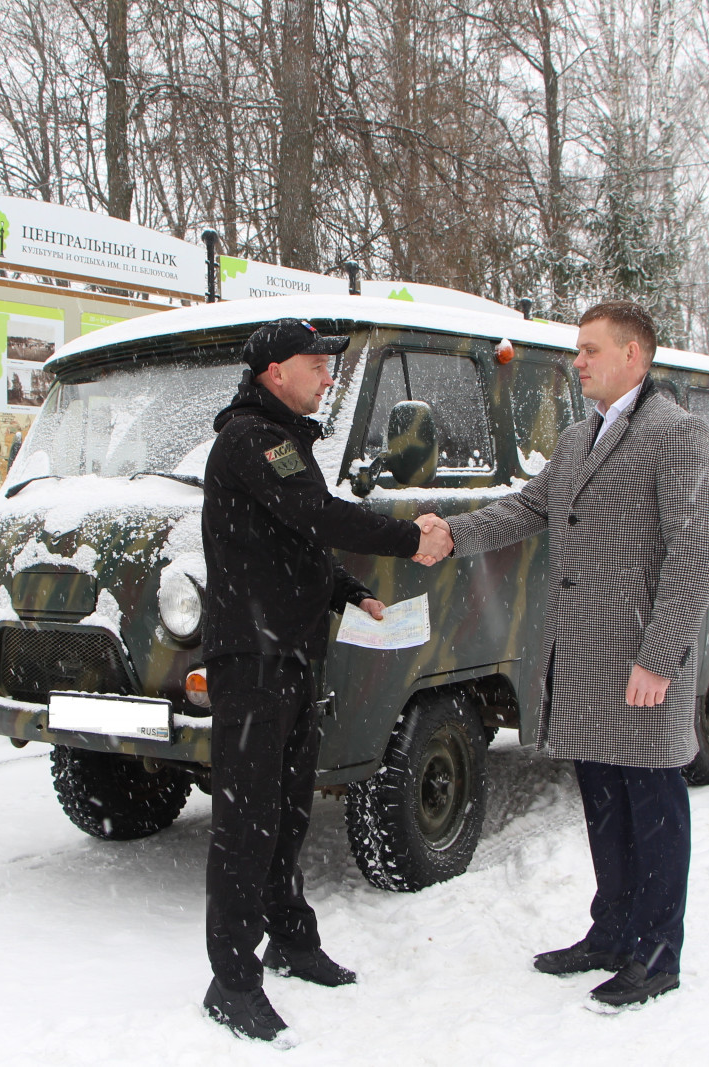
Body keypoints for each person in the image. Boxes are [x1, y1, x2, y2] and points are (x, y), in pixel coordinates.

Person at [425, 300, 709, 1013]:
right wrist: (450, 533)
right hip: (587, 661)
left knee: (653, 806)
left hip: (643, 660)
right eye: (578, 349)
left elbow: (695, 552)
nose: (578, 360)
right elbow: (523, 511)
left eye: (591, 349)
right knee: (605, 804)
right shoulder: (575, 439)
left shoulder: (676, 435)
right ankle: (612, 930)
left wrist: (660, 655)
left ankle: (657, 951)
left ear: (634, 356)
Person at [199, 317, 451, 1043]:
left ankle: (290, 937)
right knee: (248, 821)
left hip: (292, 654)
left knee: (286, 810)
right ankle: (232, 979)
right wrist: (411, 538)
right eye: (316, 363)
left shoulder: (285, 438)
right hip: (254, 660)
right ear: (275, 371)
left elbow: (293, 537)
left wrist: (345, 590)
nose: (327, 374)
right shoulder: (255, 439)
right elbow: (317, 514)